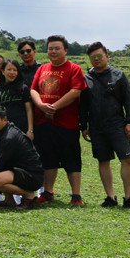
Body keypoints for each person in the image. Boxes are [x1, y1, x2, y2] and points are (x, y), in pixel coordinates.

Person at [81, 42, 130, 209]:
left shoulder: (119, 75)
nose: (96, 60)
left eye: (99, 56)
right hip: (96, 127)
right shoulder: (86, 79)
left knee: (127, 160)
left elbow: (128, 101)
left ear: (107, 56)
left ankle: (129, 197)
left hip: (117, 125)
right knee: (103, 161)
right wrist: (84, 126)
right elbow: (83, 105)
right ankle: (110, 197)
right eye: (92, 58)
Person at [30, 35, 87, 205]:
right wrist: (41, 105)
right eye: (50, 48)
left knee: (71, 158)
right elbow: (33, 90)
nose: (53, 51)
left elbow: (76, 91)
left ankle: (76, 196)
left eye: (57, 48)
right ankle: (48, 192)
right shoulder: (42, 69)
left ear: (65, 50)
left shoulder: (74, 68)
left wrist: (53, 107)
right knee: (48, 158)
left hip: (66, 123)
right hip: (43, 122)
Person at [0, 106, 43, 210]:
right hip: (20, 171)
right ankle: (9, 200)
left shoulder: (9, 137)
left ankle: (28, 195)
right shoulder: (2, 132)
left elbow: (1, 164)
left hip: (32, 176)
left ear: (4, 119)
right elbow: (3, 158)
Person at [0, 60, 34, 137]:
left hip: (22, 128)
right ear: (3, 72)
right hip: (3, 128)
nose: (12, 72)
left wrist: (30, 130)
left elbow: (29, 110)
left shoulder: (23, 88)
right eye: (9, 69)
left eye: (15, 70)